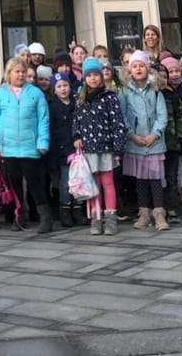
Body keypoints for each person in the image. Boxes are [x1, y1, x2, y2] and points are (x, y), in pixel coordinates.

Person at [0, 57, 51, 233]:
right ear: (9, 74)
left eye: (23, 71)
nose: (21, 75)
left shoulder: (35, 93)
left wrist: (43, 142)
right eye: (17, 71)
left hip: (30, 147)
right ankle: (18, 216)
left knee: (35, 183)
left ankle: (45, 217)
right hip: (8, 148)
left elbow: (43, 120)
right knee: (14, 184)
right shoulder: (0, 94)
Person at [73, 58, 127, 235]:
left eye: (96, 75)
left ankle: (110, 218)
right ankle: (96, 218)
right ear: (85, 78)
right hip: (89, 149)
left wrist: (118, 148)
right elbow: (76, 121)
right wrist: (77, 136)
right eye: (90, 75)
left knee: (107, 182)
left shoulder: (109, 97)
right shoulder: (80, 99)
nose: (93, 79)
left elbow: (117, 123)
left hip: (106, 148)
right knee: (93, 183)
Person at [119, 51, 170, 231]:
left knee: (155, 179)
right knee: (140, 180)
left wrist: (154, 134)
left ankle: (159, 213)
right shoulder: (124, 92)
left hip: (153, 142)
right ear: (130, 70)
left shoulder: (156, 91)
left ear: (147, 68)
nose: (138, 69)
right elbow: (123, 116)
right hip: (135, 142)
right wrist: (132, 135)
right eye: (135, 66)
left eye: (141, 65)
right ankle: (144, 213)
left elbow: (162, 116)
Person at [157, 60, 182, 221]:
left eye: (165, 76)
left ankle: (172, 207)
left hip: (172, 143)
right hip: (155, 144)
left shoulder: (173, 96)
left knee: (171, 177)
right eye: (159, 77)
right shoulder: (153, 95)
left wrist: (179, 135)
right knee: (158, 178)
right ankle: (159, 207)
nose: (162, 80)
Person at [48, 72, 81, 228]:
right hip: (62, 153)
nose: (63, 89)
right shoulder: (52, 107)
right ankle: (65, 211)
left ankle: (78, 210)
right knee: (65, 183)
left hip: (78, 151)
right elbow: (52, 133)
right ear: (54, 90)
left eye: (65, 85)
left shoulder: (77, 104)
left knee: (79, 181)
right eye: (59, 86)